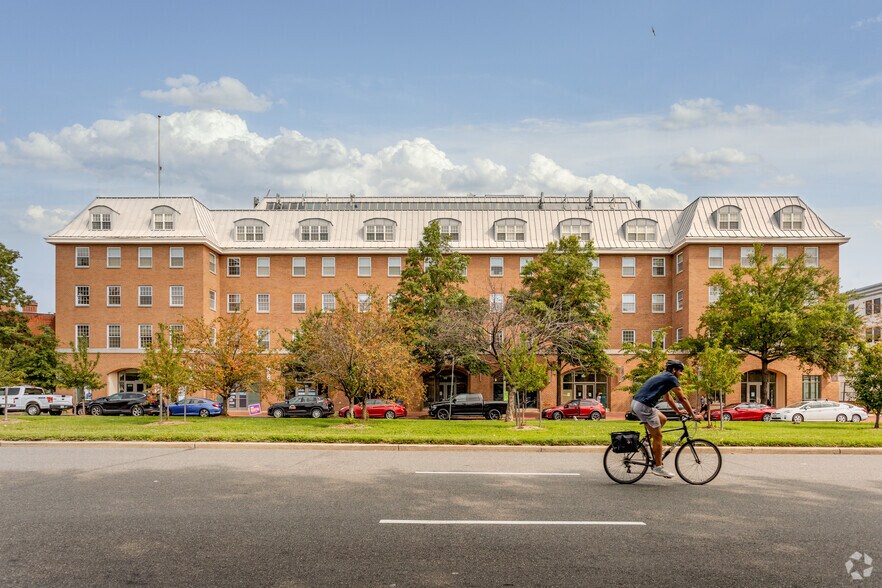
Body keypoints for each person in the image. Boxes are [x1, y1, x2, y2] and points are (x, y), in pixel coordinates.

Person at [631, 359, 700, 478]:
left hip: (638, 403)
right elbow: (682, 398)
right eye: (680, 371)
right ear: (674, 370)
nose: (681, 374)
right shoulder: (671, 378)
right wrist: (693, 416)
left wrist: (678, 411)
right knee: (658, 436)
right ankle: (658, 467)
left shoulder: (664, 377)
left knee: (663, 419)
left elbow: (668, 398)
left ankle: (647, 443)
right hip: (644, 406)